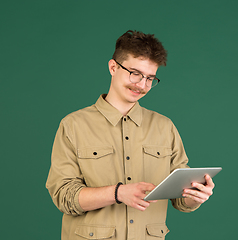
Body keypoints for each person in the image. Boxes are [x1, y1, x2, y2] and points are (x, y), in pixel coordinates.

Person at [46, 30, 215, 240]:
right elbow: (64, 197)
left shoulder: (165, 127)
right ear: (113, 67)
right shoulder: (73, 125)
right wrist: (118, 193)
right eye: (135, 73)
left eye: (150, 78)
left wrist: (197, 196)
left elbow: (181, 200)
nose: (142, 85)